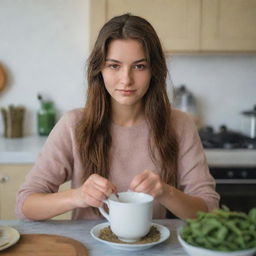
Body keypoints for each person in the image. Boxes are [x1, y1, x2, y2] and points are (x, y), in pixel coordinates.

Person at [16, 13, 219, 221]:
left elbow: (209, 211)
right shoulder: (73, 124)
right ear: (99, 70)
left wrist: (164, 192)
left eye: (139, 66)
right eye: (114, 66)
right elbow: (25, 206)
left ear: (154, 71)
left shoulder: (179, 125)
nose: (126, 79)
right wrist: (77, 196)